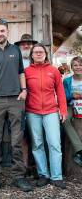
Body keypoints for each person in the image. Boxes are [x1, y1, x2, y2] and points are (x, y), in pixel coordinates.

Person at [0, 18, 32, 192]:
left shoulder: (16, 50)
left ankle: (19, 176)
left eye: (2, 31)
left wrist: (24, 89)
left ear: (7, 32)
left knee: (17, 141)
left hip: (15, 100)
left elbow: (21, 72)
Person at [25, 43, 67, 189]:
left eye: (41, 52)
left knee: (54, 143)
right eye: (35, 52)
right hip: (32, 112)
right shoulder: (26, 72)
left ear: (45, 54)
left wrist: (63, 111)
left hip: (51, 111)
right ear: (31, 55)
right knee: (37, 144)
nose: (38, 54)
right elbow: (24, 92)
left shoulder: (53, 71)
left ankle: (57, 176)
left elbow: (60, 92)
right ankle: (44, 175)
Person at [14, 34, 37, 169]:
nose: (26, 46)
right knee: (21, 135)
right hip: (19, 102)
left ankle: (37, 166)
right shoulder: (15, 60)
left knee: (36, 135)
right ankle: (24, 165)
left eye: (29, 43)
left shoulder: (38, 60)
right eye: (23, 43)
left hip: (35, 102)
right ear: (19, 46)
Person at [63, 56, 82, 167]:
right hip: (72, 105)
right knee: (65, 119)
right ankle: (79, 150)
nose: (78, 67)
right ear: (72, 67)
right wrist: (71, 95)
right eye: (75, 65)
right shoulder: (67, 80)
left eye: (80, 65)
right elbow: (64, 96)